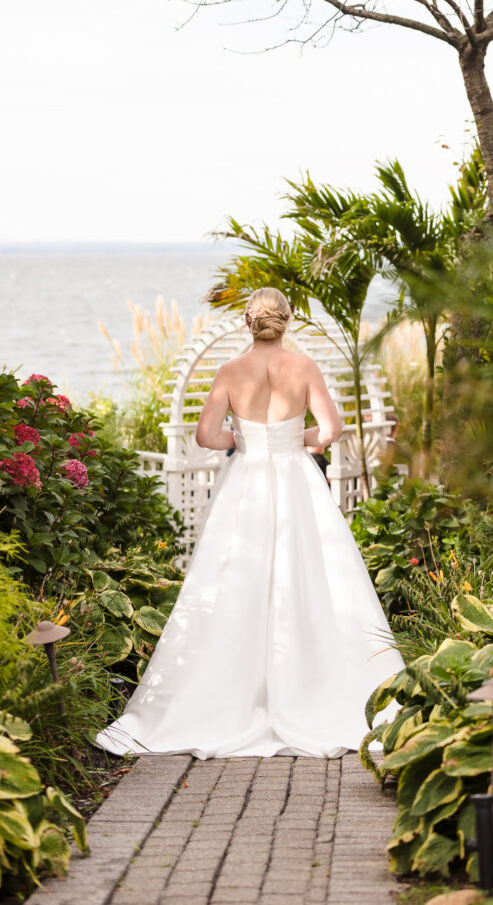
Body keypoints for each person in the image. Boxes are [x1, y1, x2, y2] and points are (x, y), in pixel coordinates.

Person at [95, 287, 404, 759]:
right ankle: (319, 689)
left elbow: (203, 436)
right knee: (312, 578)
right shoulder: (303, 368)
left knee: (235, 579)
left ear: (247, 322)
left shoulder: (229, 371)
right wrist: (294, 438)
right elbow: (332, 430)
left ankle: (229, 697)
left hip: (247, 481)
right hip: (296, 477)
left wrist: (240, 438)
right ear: (288, 321)